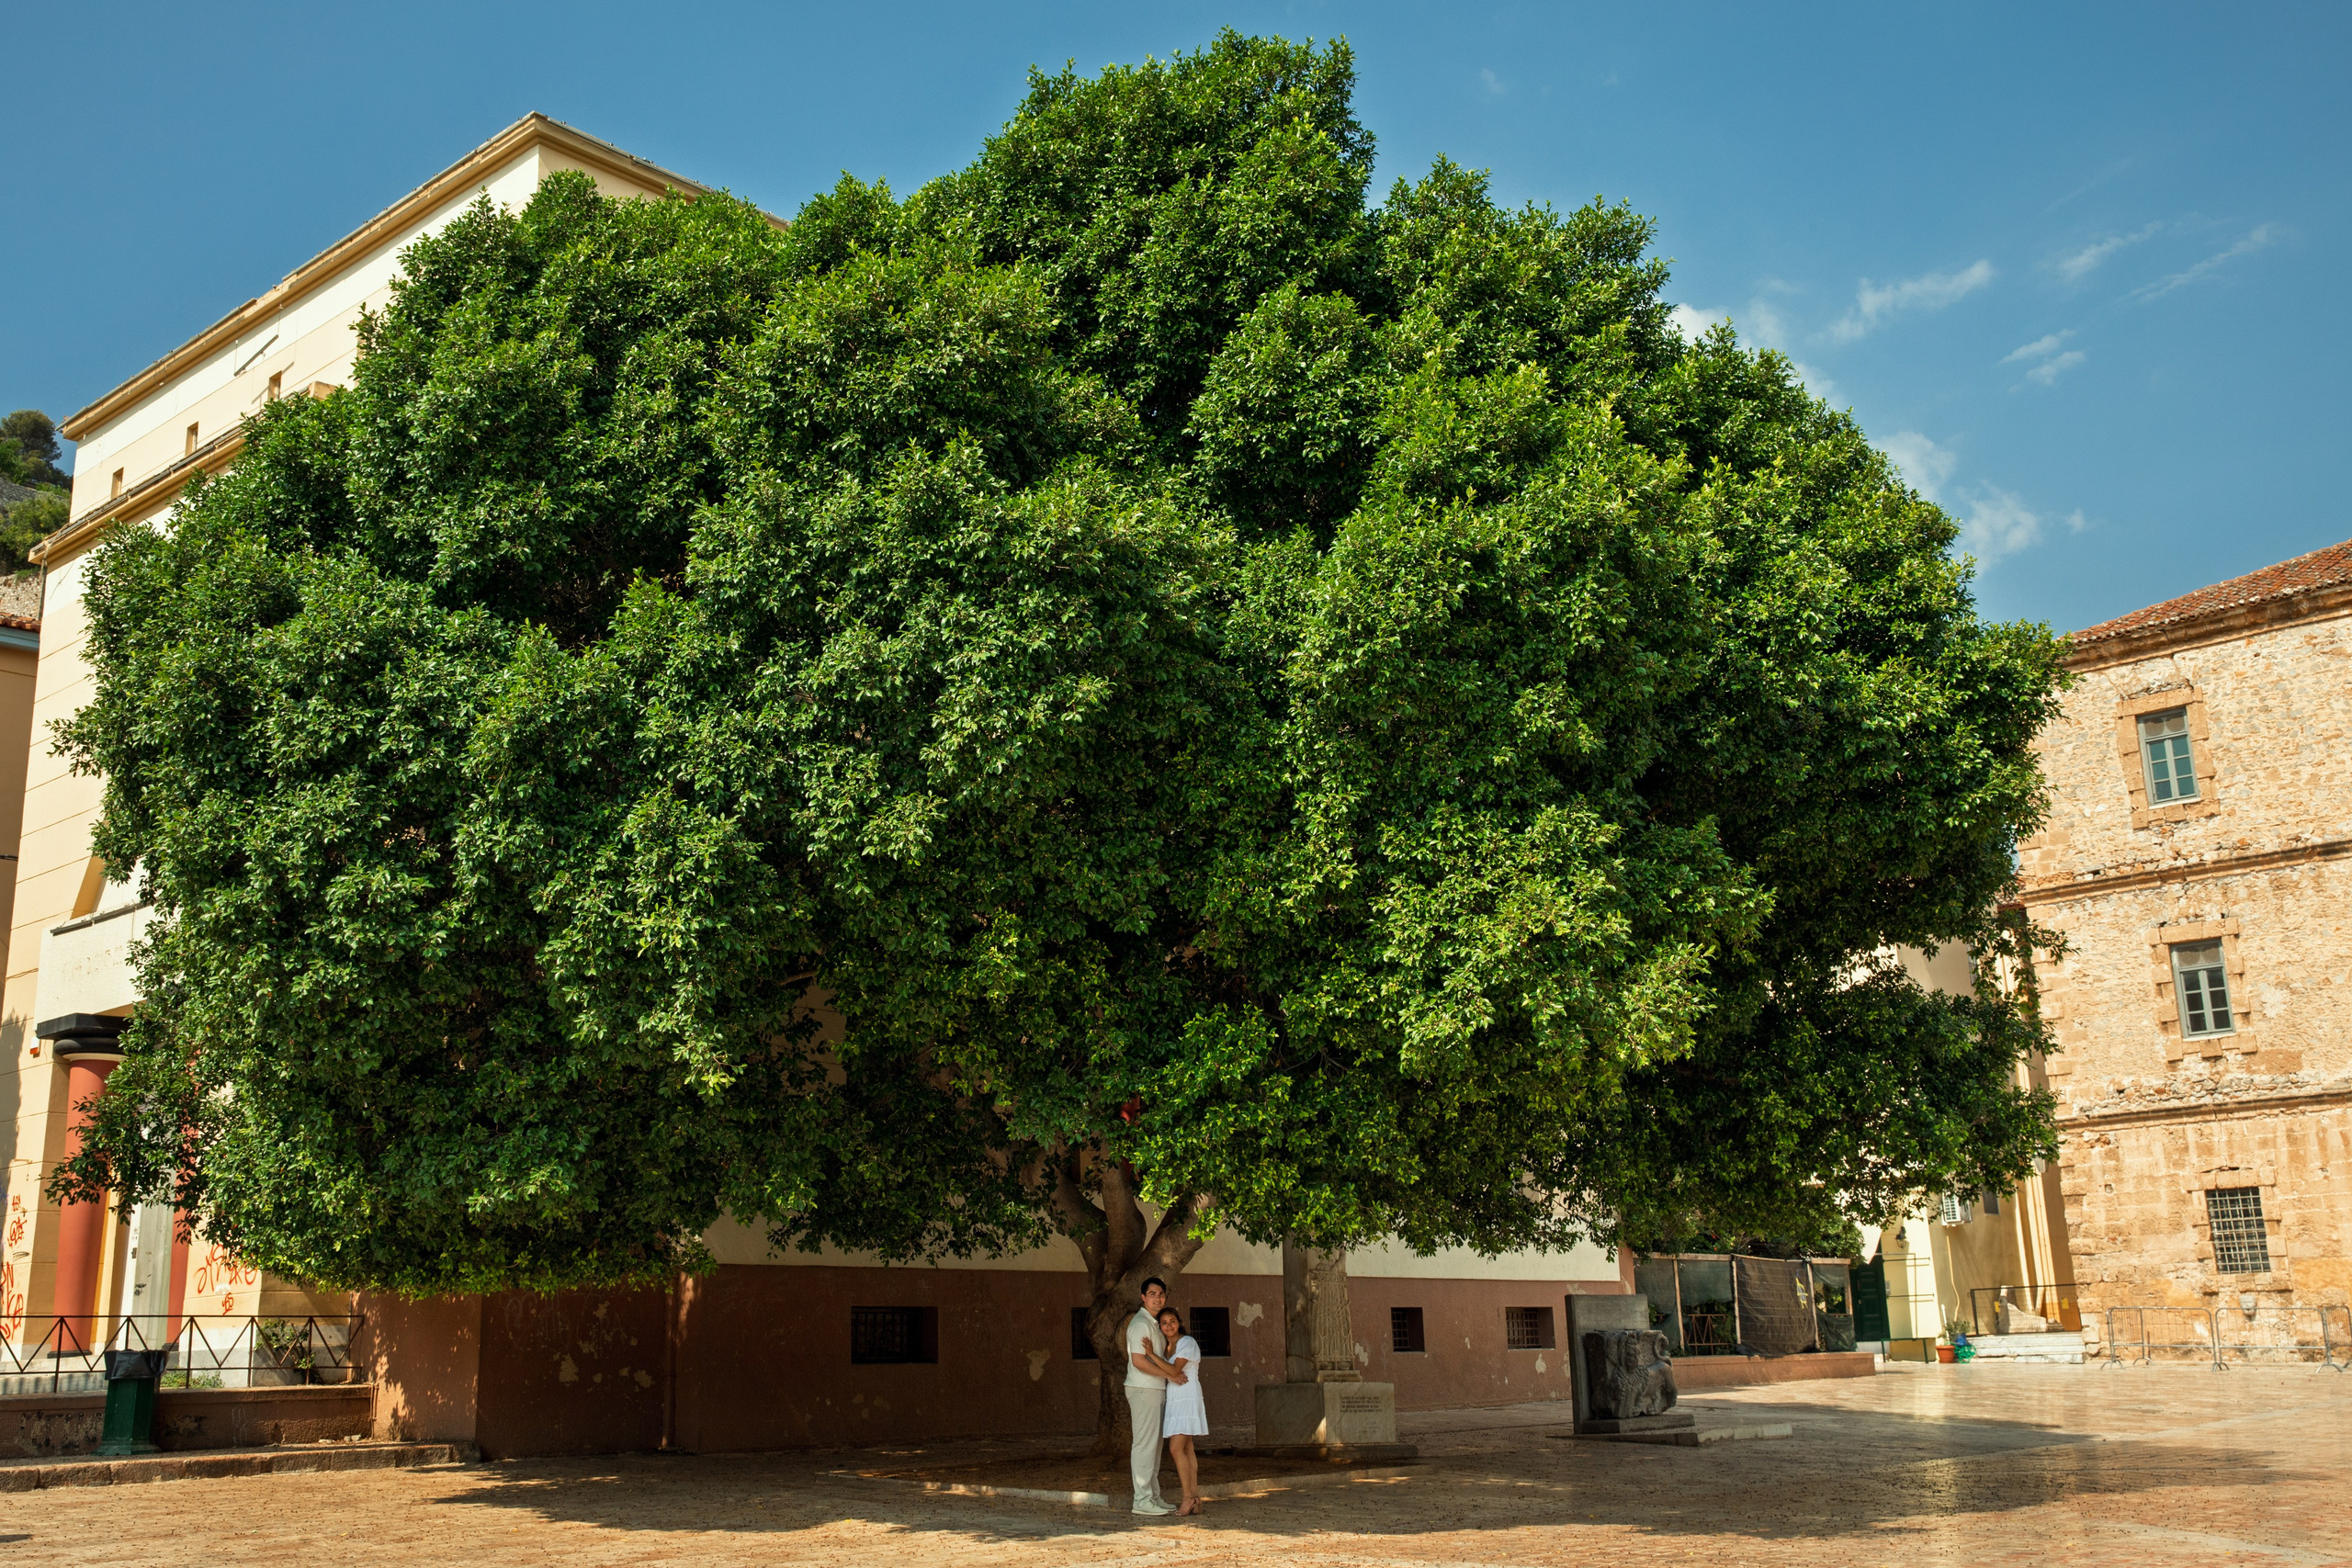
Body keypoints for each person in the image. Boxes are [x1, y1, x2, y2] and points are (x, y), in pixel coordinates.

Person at [1124, 1278, 1187, 1515]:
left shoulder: (1155, 1323)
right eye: (1152, 1294)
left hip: (1156, 1389)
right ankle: (1141, 1500)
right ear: (1143, 1297)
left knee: (1155, 1446)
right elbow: (1139, 1361)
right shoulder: (1140, 1323)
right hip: (1144, 1389)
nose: (1157, 1298)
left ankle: (1153, 1496)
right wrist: (1169, 1376)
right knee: (1144, 1444)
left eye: (1161, 1294)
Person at [1157, 1307, 1208, 1515]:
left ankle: (1187, 1497)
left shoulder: (1187, 1342)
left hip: (1186, 1395)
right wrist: (1167, 1372)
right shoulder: (1167, 1347)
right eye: (1164, 1323)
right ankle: (1195, 1498)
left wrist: (1151, 1354)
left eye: (1172, 1321)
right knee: (1187, 1449)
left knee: (1175, 1449)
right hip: (1174, 1398)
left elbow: (1174, 1370)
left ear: (1179, 1322)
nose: (1169, 1326)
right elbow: (1168, 1372)